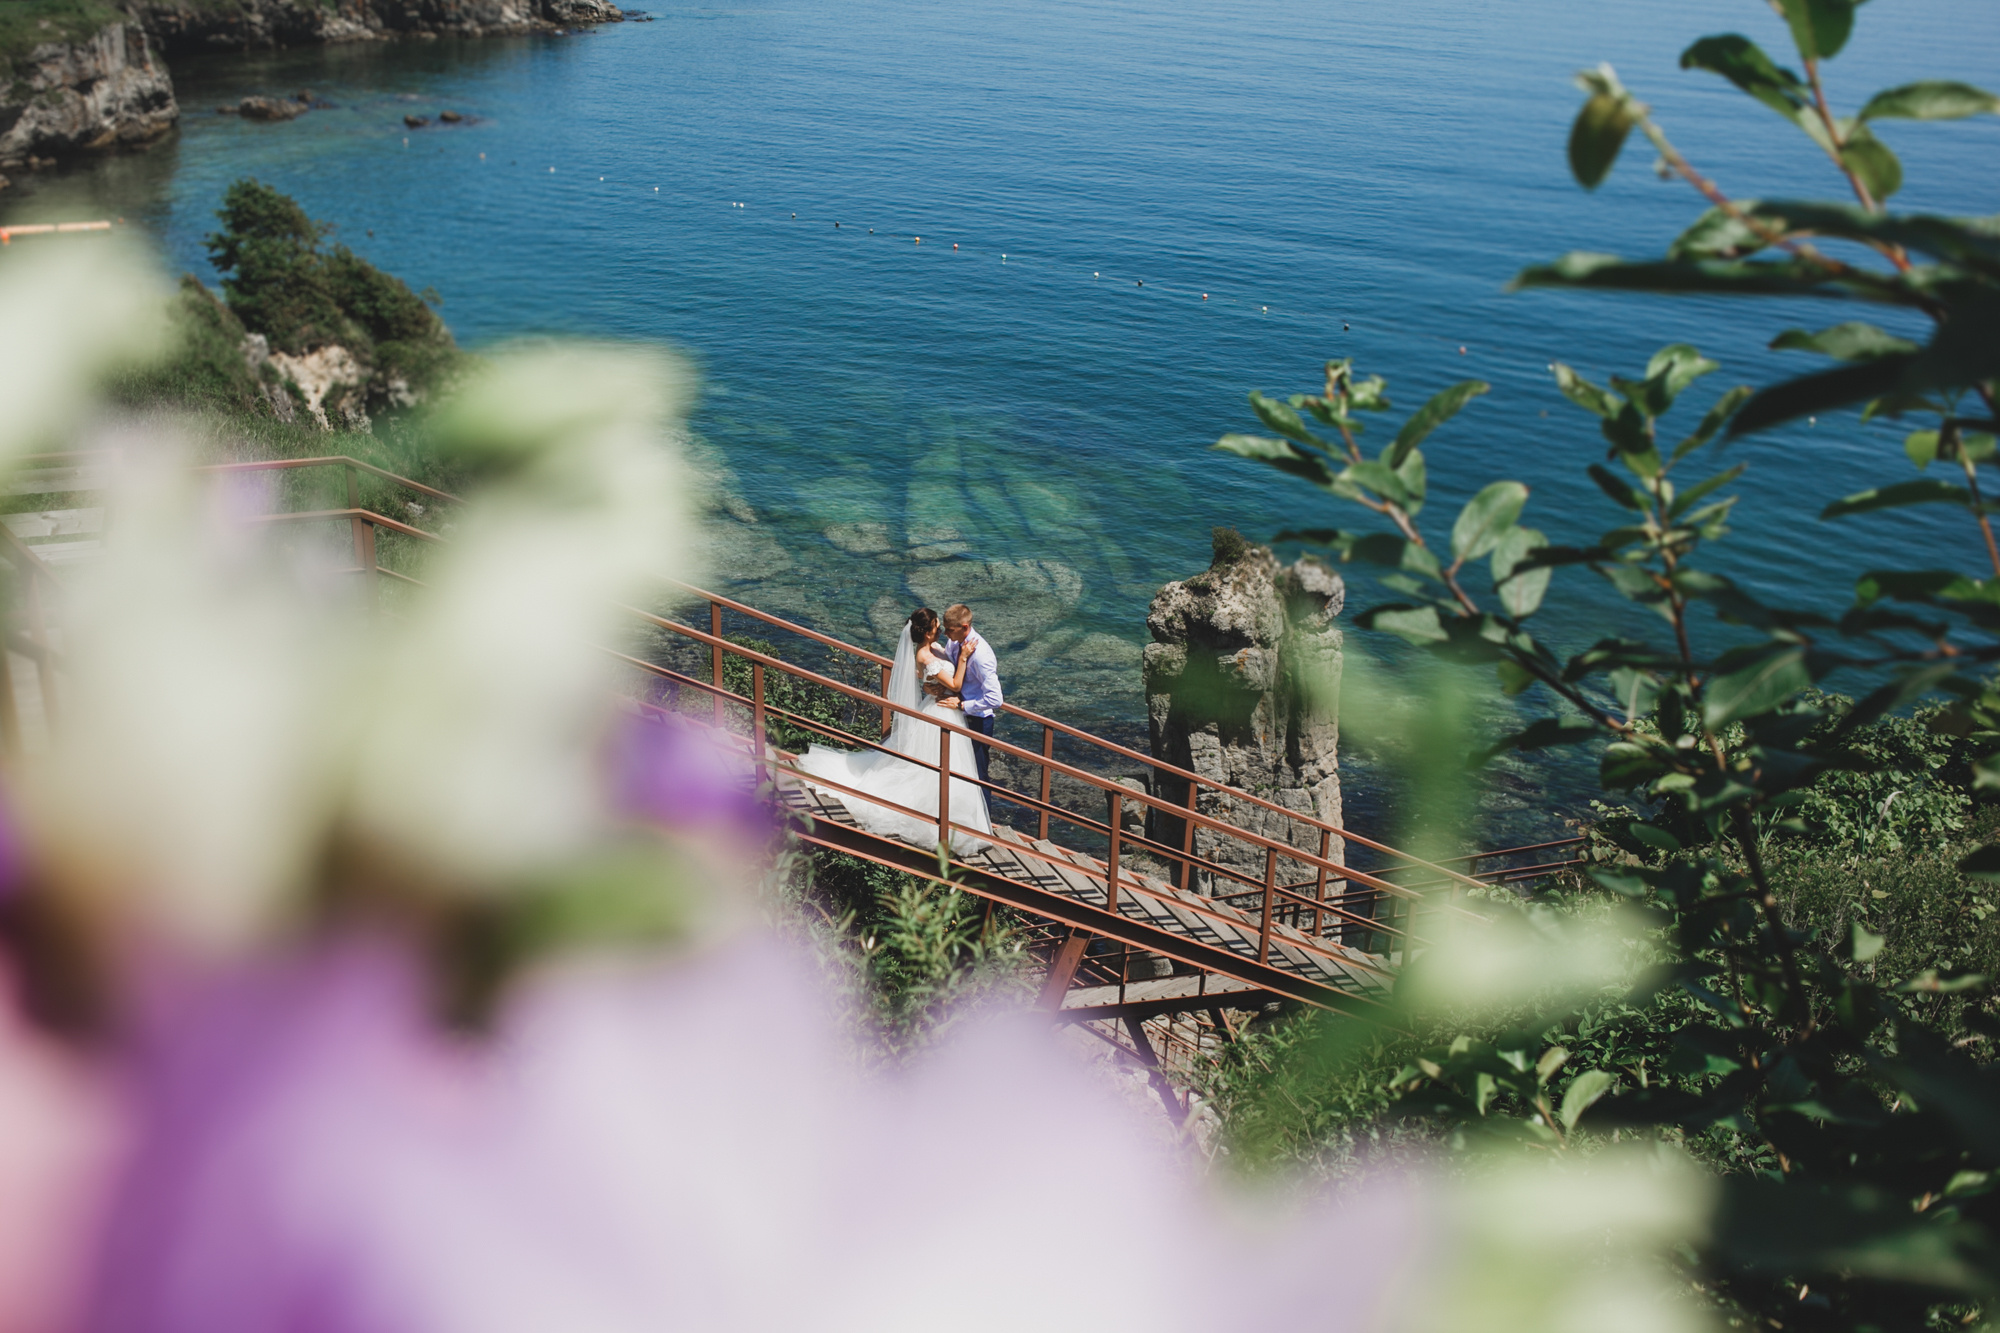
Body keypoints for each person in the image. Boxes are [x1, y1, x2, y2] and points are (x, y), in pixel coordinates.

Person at [791, 608, 991, 854]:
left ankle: (961, 822)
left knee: (951, 768)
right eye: (937, 626)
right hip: (942, 713)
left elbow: (926, 676)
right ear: (928, 633)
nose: (941, 630)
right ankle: (941, 821)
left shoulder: (936, 649)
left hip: (947, 709)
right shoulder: (926, 655)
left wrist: (930, 685)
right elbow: (955, 683)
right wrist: (962, 660)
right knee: (937, 767)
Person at [934, 603, 1002, 786]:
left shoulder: (981, 656)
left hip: (977, 721)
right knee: (955, 769)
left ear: (964, 627)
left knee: (978, 776)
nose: (946, 634)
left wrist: (962, 704)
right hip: (958, 715)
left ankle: (983, 814)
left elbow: (995, 698)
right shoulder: (954, 642)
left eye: (950, 630)